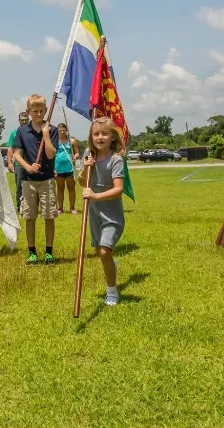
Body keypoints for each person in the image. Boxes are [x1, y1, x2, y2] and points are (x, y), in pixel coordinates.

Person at [79, 117, 126, 306]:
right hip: (94, 215)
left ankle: (112, 292)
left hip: (112, 216)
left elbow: (118, 189)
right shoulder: (88, 154)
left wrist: (96, 196)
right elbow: (82, 182)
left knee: (105, 252)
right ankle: (111, 267)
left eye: (105, 133)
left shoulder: (116, 160)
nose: (100, 137)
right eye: (96, 133)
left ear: (112, 137)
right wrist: (85, 168)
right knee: (100, 252)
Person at [12, 94, 58, 266]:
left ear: (46, 111)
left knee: (48, 216)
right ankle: (32, 252)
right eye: (35, 111)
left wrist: (45, 135)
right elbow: (16, 154)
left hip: (46, 179)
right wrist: (28, 167)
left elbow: (50, 154)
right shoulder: (22, 131)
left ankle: (48, 252)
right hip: (28, 180)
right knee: (29, 217)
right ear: (28, 112)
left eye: (41, 111)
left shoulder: (52, 130)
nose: (39, 114)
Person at [54, 123, 81, 214]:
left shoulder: (72, 141)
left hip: (70, 169)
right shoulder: (54, 141)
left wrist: (75, 157)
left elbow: (77, 153)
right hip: (58, 169)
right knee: (60, 189)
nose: (62, 132)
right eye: (60, 130)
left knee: (71, 189)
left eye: (63, 130)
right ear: (57, 131)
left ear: (66, 130)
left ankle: (72, 208)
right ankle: (60, 208)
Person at [7, 111, 29, 207]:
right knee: (19, 186)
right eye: (22, 120)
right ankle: (20, 207)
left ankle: (30, 206)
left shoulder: (32, 131)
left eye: (26, 120)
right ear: (19, 121)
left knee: (31, 186)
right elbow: (10, 149)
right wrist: (9, 163)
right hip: (18, 164)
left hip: (30, 163)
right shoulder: (14, 133)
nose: (24, 122)